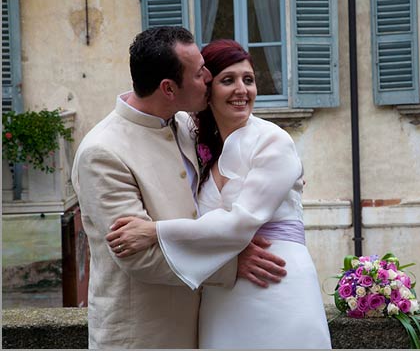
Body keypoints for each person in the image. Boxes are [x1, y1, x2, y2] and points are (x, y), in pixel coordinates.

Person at [107, 39, 332, 349]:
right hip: (221, 296)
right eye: (228, 80)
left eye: (249, 80)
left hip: (276, 280)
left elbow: (240, 224)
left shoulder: (273, 141)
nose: (242, 89)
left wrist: (154, 231)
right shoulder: (197, 143)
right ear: (206, 90)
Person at [71, 27, 286, 349]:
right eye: (200, 73)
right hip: (144, 335)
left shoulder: (185, 125)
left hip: (205, 323)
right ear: (169, 88)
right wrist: (231, 265)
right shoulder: (101, 152)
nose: (209, 77)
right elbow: (138, 256)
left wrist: (281, 178)